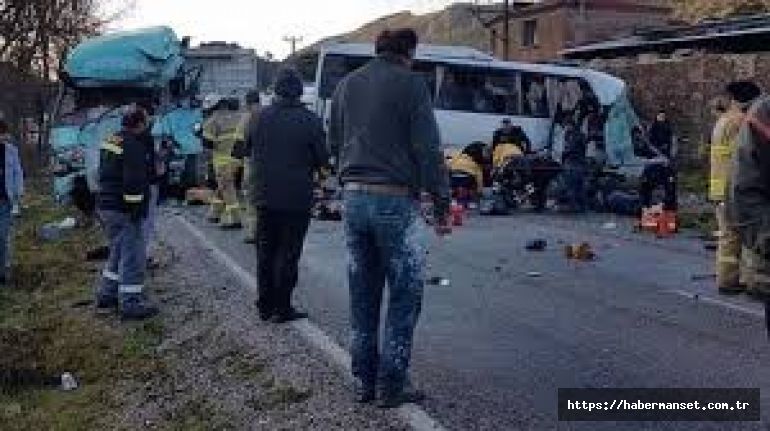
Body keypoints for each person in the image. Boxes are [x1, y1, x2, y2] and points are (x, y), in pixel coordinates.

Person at [328, 28, 451, 408]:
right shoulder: (412, 85)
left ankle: (364, 381)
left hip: (353, 199)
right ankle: (391, 385)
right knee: (405, 294)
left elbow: (333, 142)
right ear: (409, 53)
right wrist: (442, 203)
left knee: (362, 294)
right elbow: (428, 148)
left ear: (377, 50)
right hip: (395, 201)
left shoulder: (346, 85)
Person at [248, 69, 328, 324]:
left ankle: (265, 304)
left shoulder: (258, 117)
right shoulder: (311, 121)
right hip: (296, 198)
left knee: (265, 251)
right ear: (299, 92)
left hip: (264, 195)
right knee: (288, 252)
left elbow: (246, 148)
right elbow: (323, 159)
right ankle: (282, 308)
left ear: (276, 90)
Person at [94, 108, 157, 320]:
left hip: (106, 205)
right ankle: (130, 302)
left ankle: (107, 293)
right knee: (133, 255)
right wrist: (135, 208)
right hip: (123, 209)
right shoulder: (133, 145)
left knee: (117, 250)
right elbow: (133, 181)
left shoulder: (112, 139)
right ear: (139, 124)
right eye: (146, 123)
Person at [710, 81, 761, 295]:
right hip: (735, 187)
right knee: (746, 235)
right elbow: (749, 154)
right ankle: (750, 282)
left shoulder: (723, 120)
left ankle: (726, 279)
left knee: (727, 236)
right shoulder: (741, 121)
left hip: (719, 187)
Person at [203, 97, 246, 229]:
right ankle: (214, 213)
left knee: (227, 189)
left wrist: (208, 162)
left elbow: (207, 146)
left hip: (222, 161)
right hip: (241, 158)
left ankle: (235, 219)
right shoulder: (240, 117)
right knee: (223, 186)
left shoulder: (211, 121)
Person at [0, 120, 23, 285]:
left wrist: (18, 196)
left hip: (4, 201)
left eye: (3, 133)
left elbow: (17, 173)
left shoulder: (11, 151)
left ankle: (3, 272)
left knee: (3, 237)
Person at [238, 90, 262, 244]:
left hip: (251, 162)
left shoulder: (247, 117)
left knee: (251, 197)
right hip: (267, 163)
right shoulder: (268, 113)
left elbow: (242, 141)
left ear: (247, 103)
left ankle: (252, 232)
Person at [560, 117, 588, 213]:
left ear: (569, 125)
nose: (565, 128)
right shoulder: (576, 134)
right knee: (578, 185)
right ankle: (581, 206)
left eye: (565, 126)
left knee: (573, 185)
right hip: (578, 162)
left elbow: (571, 148)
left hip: (574, 162)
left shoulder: (574, 135)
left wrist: (564, 155)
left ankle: (575, 206)